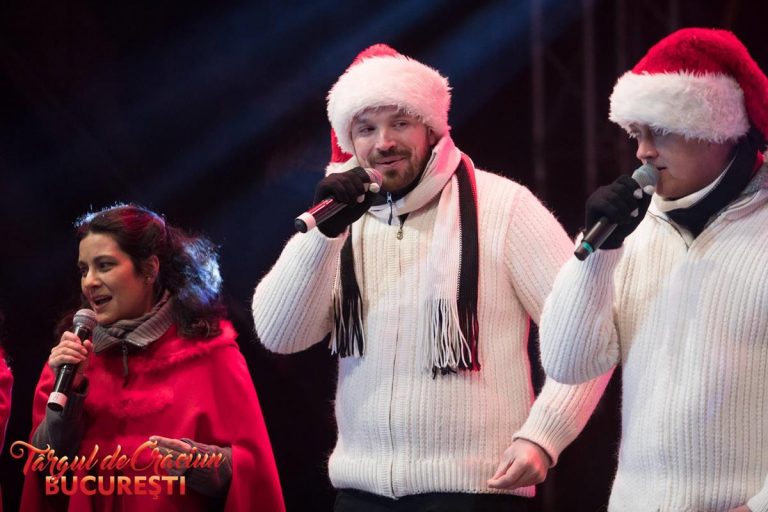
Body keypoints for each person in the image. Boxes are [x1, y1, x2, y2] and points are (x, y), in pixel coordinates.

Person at [253, 44, 611, 511]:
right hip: (361, 494)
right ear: (349, 140)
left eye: (400, 122)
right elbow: (279, 334)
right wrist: (324, 235)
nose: (384, 142)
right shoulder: (340, 221)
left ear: (432, 128)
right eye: (366, 128)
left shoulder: (504, 206)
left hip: (475, 492)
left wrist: (544, 437)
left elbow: (588, 335)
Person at [538, 28, 768, 512]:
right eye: (637, 134)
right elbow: (568, 363)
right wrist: (599, 254)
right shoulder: (629, 231)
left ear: (718, 131)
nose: (643, 151)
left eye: (660, 130)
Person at [21, 204, 285, 512]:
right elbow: (43, 472)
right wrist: (69, 401)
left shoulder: (213, 355)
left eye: (104, 265)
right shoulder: (71, 358)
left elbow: (253, 474)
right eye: (84, 270)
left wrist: (201, 466)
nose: (89, 281)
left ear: (149, 268)